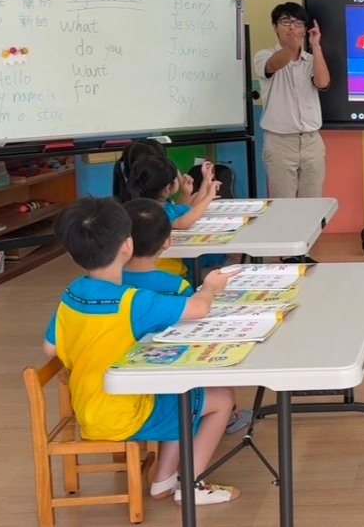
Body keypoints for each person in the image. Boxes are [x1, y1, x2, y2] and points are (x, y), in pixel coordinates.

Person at [42, 197, 240, 505]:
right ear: (127, 245)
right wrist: (211, 287)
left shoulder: (72, 293)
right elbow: (198, 308)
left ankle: (163, 480)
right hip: (125, 413)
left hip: (88, 409)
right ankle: (193, 486)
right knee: (221, 400)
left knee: (182, 395)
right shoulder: (132, 301)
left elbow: (50, 348)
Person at [121, 199, 252, 434]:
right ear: (167, 241)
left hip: (125, 372)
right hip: (171, 370)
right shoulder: (175, 286)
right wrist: (209, 290)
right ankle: (229, 416)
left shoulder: (114, 284)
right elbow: (195, 322)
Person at [253, 2, 330, 198]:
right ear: (275, 27)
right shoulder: (264, 55)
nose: (292, 27)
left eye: (298, 23)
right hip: (280, 142)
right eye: (286, 22)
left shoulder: (311, 59)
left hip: (312, 141)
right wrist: (291, 45)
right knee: (283, 204)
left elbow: (322, 82)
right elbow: (273, 65)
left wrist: (316, 46)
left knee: (312, 203)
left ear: (305, 29)